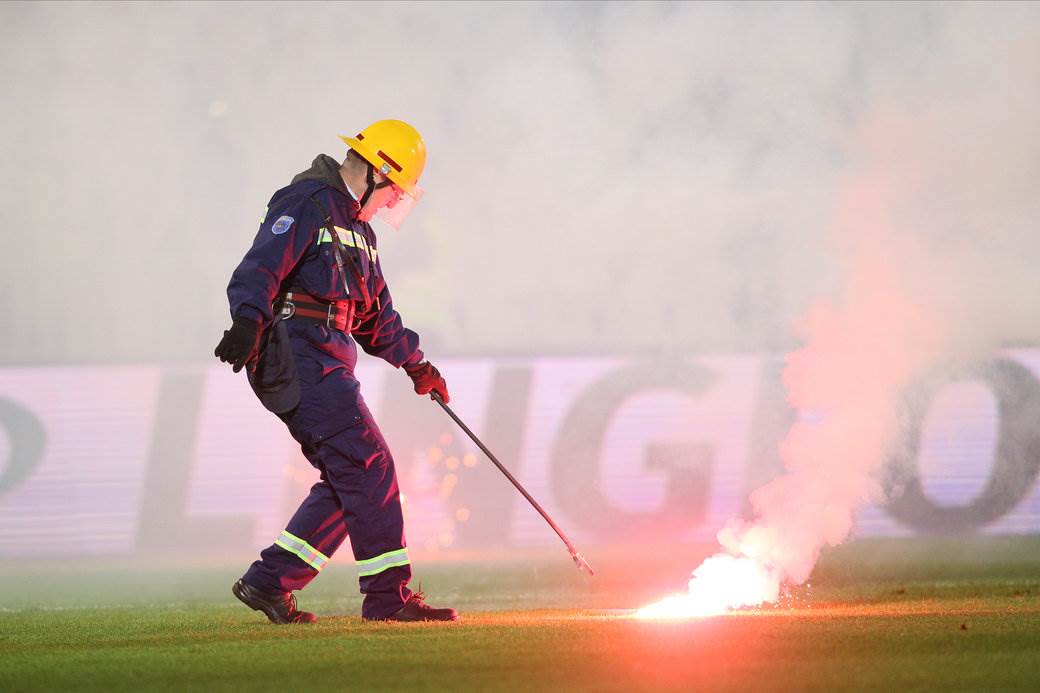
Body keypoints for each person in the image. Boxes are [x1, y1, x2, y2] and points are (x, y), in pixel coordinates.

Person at [214, 119, 458, 623]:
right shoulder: (306, 202)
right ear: (375, 172)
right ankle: (388, 600)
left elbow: (377, 317)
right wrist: (246, 320)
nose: (393, 202)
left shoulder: (360, 232)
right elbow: (260, 267)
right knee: (369, 463)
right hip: (296, 353)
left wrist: (417, 365)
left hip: (328, 357)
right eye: (393, 190)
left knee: (351, 474)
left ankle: (269, 582)